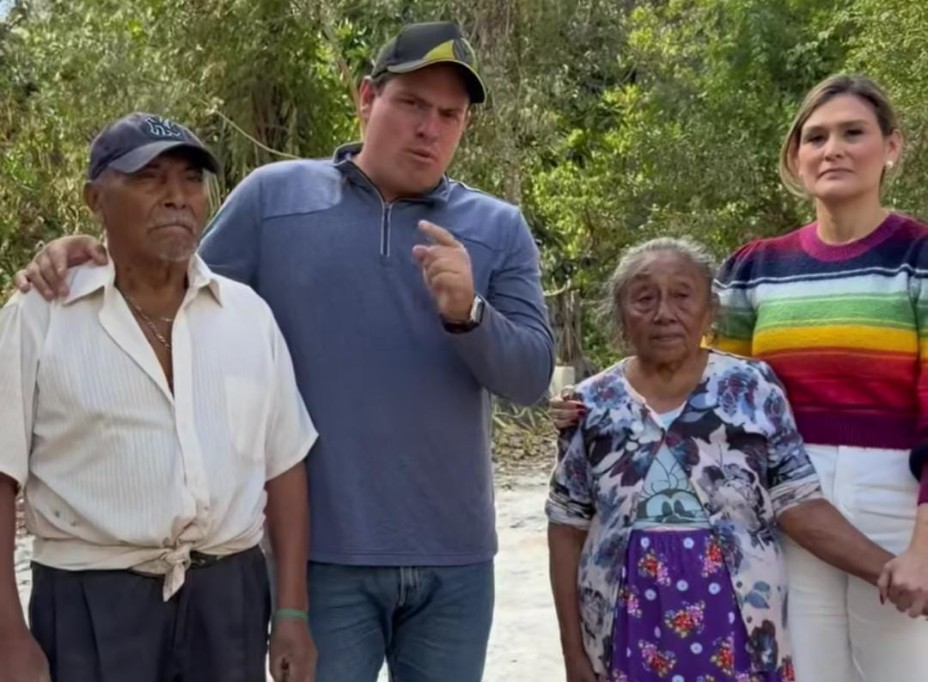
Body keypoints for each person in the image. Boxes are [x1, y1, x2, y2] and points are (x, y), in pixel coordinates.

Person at [13, 22, 555, 682]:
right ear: (366, 98)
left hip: (456, 559)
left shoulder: (497, 228)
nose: (430, 128)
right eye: (411, 103)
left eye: (451, 114)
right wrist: (85, 251)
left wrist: (469, 314)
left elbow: (531, 378)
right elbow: (170, 277)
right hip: (324, 559)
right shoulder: (276, 199)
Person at [550, 74, 928, 681]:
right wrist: (592, 408)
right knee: (810, 666)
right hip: (783, 504)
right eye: (816, 136)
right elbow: (702, 385)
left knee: (903, 666)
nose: (832, 149)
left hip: (896, 499)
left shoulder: (918, 256)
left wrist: (921, 551)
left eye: (853, 133)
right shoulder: (758, 266)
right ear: (796, 157)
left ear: (891, 147)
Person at [0, 113, 318, 682]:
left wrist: (291, 610)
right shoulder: (39, 317)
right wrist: (6, 635)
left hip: (229, 602)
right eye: (150, 178)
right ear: (95, 198)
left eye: (191, 180)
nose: (177, 197)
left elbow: (285, 466)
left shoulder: (248, 316)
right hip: (93, 605)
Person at [547, 236, 897, 682]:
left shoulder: (751, 387)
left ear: (710, 310)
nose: (663, 313)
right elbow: (566, 526)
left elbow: (797, 502)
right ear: (620, 314)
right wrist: (572, 655)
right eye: (643, 297)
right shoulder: (591, 404)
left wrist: (888, 569)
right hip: (623, 623)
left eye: (682, 294)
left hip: (739, 620)